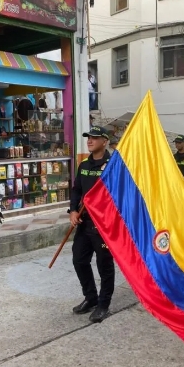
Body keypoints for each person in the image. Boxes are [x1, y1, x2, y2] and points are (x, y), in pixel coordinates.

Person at [68, 126, 115, 324]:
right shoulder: (84, 164)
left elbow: (121, 195)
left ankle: (103, 304)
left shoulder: (114, 166)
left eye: (95, 138)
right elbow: (76, 189)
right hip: (84, 222)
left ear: (105, 141)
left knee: (104, 265)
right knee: (79, 260)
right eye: (88, 137)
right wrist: (72, 210)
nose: (89, 140)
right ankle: (91, 297)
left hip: (104, 225)